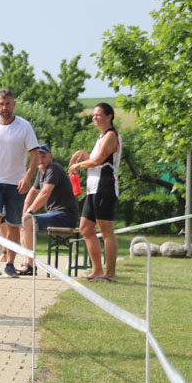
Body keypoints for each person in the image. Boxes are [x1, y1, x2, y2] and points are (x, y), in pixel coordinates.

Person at [0, 89, 39, 278]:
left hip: (16, 183)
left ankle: (10, 263)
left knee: (13, 224)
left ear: (14, 104)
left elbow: (35, 155)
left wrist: (28, 177)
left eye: (8, 104)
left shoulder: (25, 126)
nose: (4, 107)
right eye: (1, 104)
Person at [68, 102, 122, 281]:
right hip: (93, 189)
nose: (94, 117)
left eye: (98, 114)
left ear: (109, 116)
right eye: (93, 114)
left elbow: (97, 161)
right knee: (85, 228)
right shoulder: (101, 137)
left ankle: (110, 273)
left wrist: (77, 166)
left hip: (105, 187)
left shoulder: (111, 136)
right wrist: (82, 154)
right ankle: (97, 270)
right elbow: (93, 159)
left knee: (106, 231)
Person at [17, 144, 80, 275]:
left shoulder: (54, 168)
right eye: (38, 157)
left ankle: (30, 265)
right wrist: (24, 212)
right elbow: (33, 192)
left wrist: (29, 213)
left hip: (66, 217)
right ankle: (27, 262)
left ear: (50, 156)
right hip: (55, 215)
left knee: (28, 221)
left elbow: (45, 193)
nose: (41, 159)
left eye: (44, 156)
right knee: (23, 223)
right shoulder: (41, 171)